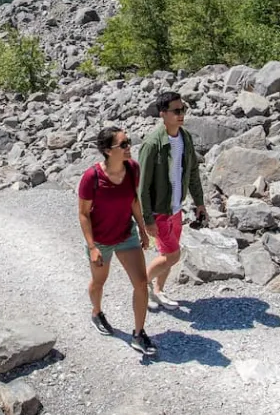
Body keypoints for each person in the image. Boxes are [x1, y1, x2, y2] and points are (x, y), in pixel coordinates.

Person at [77, 125, 157, 355]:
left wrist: (142, 230)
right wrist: (92, 247)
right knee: (99, 282)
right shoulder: (91, 177)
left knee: (141, 283)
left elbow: (133, 200)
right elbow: (83, 214)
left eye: (128, 142)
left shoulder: (133, 169)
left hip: (126, 235)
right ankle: (96, 312)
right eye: (123, 144)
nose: (128, 147)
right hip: (100, 241)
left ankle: (139, 334)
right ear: (108, 150)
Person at [139, 91, 206, 310]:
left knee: (167, 252)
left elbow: (193, 172)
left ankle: (158, 291)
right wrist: (147, 219)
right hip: (159, 210)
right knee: (172, 254)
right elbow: (143, 187)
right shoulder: (152, 144)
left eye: (183, 110)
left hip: (176, 207)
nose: (181, 114)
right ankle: (142, 286)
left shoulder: (185, 137)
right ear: (163, 114)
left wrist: (199, 203)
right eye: (176, 111)